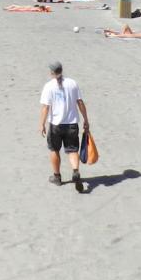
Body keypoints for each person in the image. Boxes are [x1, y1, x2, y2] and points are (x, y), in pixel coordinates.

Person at [38, 61, 91, 189]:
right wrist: (86, 119)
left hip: (56, 124)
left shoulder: (49, 86)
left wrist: (42, 124)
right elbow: (80, 102)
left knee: (54, 149)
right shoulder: (72, 83)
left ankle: (57, 177)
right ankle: (75, 171)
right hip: (71, 123)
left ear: (51, 72)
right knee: (72, 150)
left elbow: (45, 107)